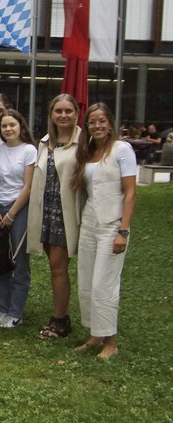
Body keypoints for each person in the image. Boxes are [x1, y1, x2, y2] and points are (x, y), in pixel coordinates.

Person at [71, 103, 136, 359]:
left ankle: (111, 342)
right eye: (91, 122)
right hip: (90, 223)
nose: (96, 126)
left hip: (113, 224)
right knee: (86, 281)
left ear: (110, 123)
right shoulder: (88, 152)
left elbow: (130, 193)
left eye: (101, 121)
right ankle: (95, 335)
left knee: (103, 284)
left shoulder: (122, 150)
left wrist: (124, 231)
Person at [28, 94, 81, 340]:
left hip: (65, 213)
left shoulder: (83, 142)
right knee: (55, 267)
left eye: (68, 110)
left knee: (58, 267)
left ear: (76, 113)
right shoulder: (45, 142)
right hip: (46, 211)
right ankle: (62, 314)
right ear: (51, 114)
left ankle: (60, 320)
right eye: (58, 110)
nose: (63, 115)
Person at [0, 109, 36, 328]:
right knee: (0, 260)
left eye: (12, 125)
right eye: (4, 126)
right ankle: (4, 308)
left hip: (20, 209)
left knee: (19, 261)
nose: (8, 129)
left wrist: (11, 214)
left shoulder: (29, 150)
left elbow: (28, 186)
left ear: (21, 126)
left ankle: (16, 311)